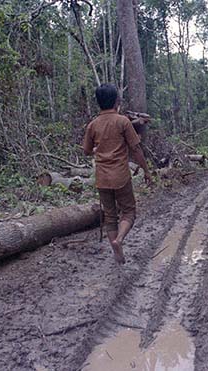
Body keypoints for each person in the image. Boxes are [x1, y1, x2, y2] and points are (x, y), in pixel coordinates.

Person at [82, 83, 152, 264]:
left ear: (98, 103)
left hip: (102, 178)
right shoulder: (123, 122)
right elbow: (136, 149)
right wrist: (146, 171)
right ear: (116, 101)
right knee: (129, 212)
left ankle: (116, 252)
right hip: (121, 175)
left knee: (110, 216)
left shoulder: (93, 125)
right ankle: (119, 239)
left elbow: (86, 151)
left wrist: (98, 149)